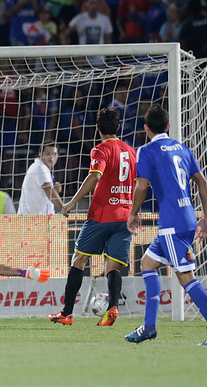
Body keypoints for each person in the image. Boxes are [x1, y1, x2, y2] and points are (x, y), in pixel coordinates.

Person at [125, 105, 207, 345]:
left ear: (146, 128)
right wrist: (206, 215)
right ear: (168, 126)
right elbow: (202, 182)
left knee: (185, 277)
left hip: (172, 223)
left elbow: (142, 186)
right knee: (148, 263)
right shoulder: (182, 148)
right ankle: (149, 326)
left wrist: (133, 213)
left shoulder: (146, 150)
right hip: (187, 217)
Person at [49, 108, 136, 327]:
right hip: (125, 215)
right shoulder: (131, 151)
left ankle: (67, 313)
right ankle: (113, 308)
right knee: (113, 266)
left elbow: (95, 176)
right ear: (118, 128)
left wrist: (71, 202)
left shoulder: (100, 150)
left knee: (79, 259)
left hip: (102, 214)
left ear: (97, 128)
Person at [17, 141, 63, 214]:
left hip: (36, 219)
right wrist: (64, 208)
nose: (51, 157)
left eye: (54, 154)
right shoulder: (40, 167)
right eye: (48, 154)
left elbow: (47, 191)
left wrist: (54, 189)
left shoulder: (42, 168)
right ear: (40, 153)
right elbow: (48, 189)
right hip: (31, 220)